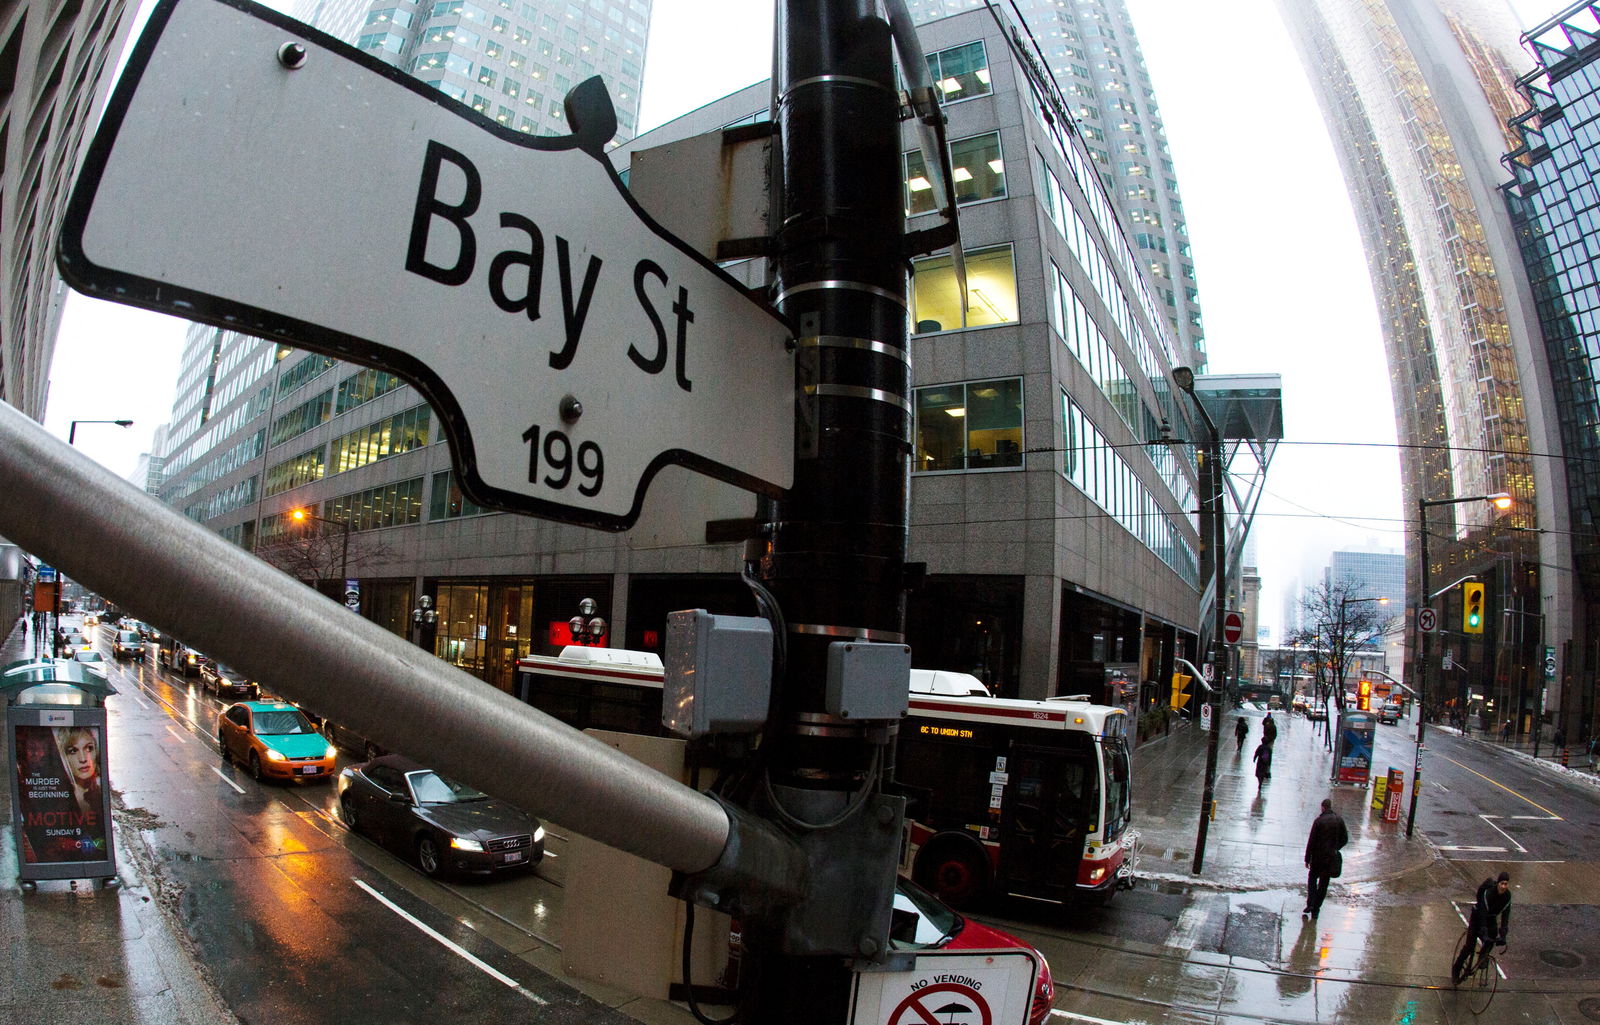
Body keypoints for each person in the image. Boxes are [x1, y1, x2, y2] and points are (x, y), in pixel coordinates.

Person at [1453, 871, 1512, 982]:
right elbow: (1483, 912)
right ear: (1498, 883)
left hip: (1491, 918)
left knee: (1492, 936)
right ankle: (1457, 967)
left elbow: (1505, 916)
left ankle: (1483, 957)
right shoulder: (1489, 893)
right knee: (1469, 946)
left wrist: (1503, 934)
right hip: (1477, 916)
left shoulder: (1507, 896)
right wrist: (1484, 931)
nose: (1504, 886)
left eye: (1506, 884)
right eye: (1502, 883)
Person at [1303, 798, 1349, 918]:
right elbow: (1345, 839)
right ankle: (1316, 908)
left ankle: (1311, 903)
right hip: (1331, 858)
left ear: (1323, 807)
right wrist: (1336, 848)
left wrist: (1307, 858)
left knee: (1312, 879)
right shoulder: (1339, 820)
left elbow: (1311, 841)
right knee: (1324, 883)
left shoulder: (1319, 821)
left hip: (1318, 857)